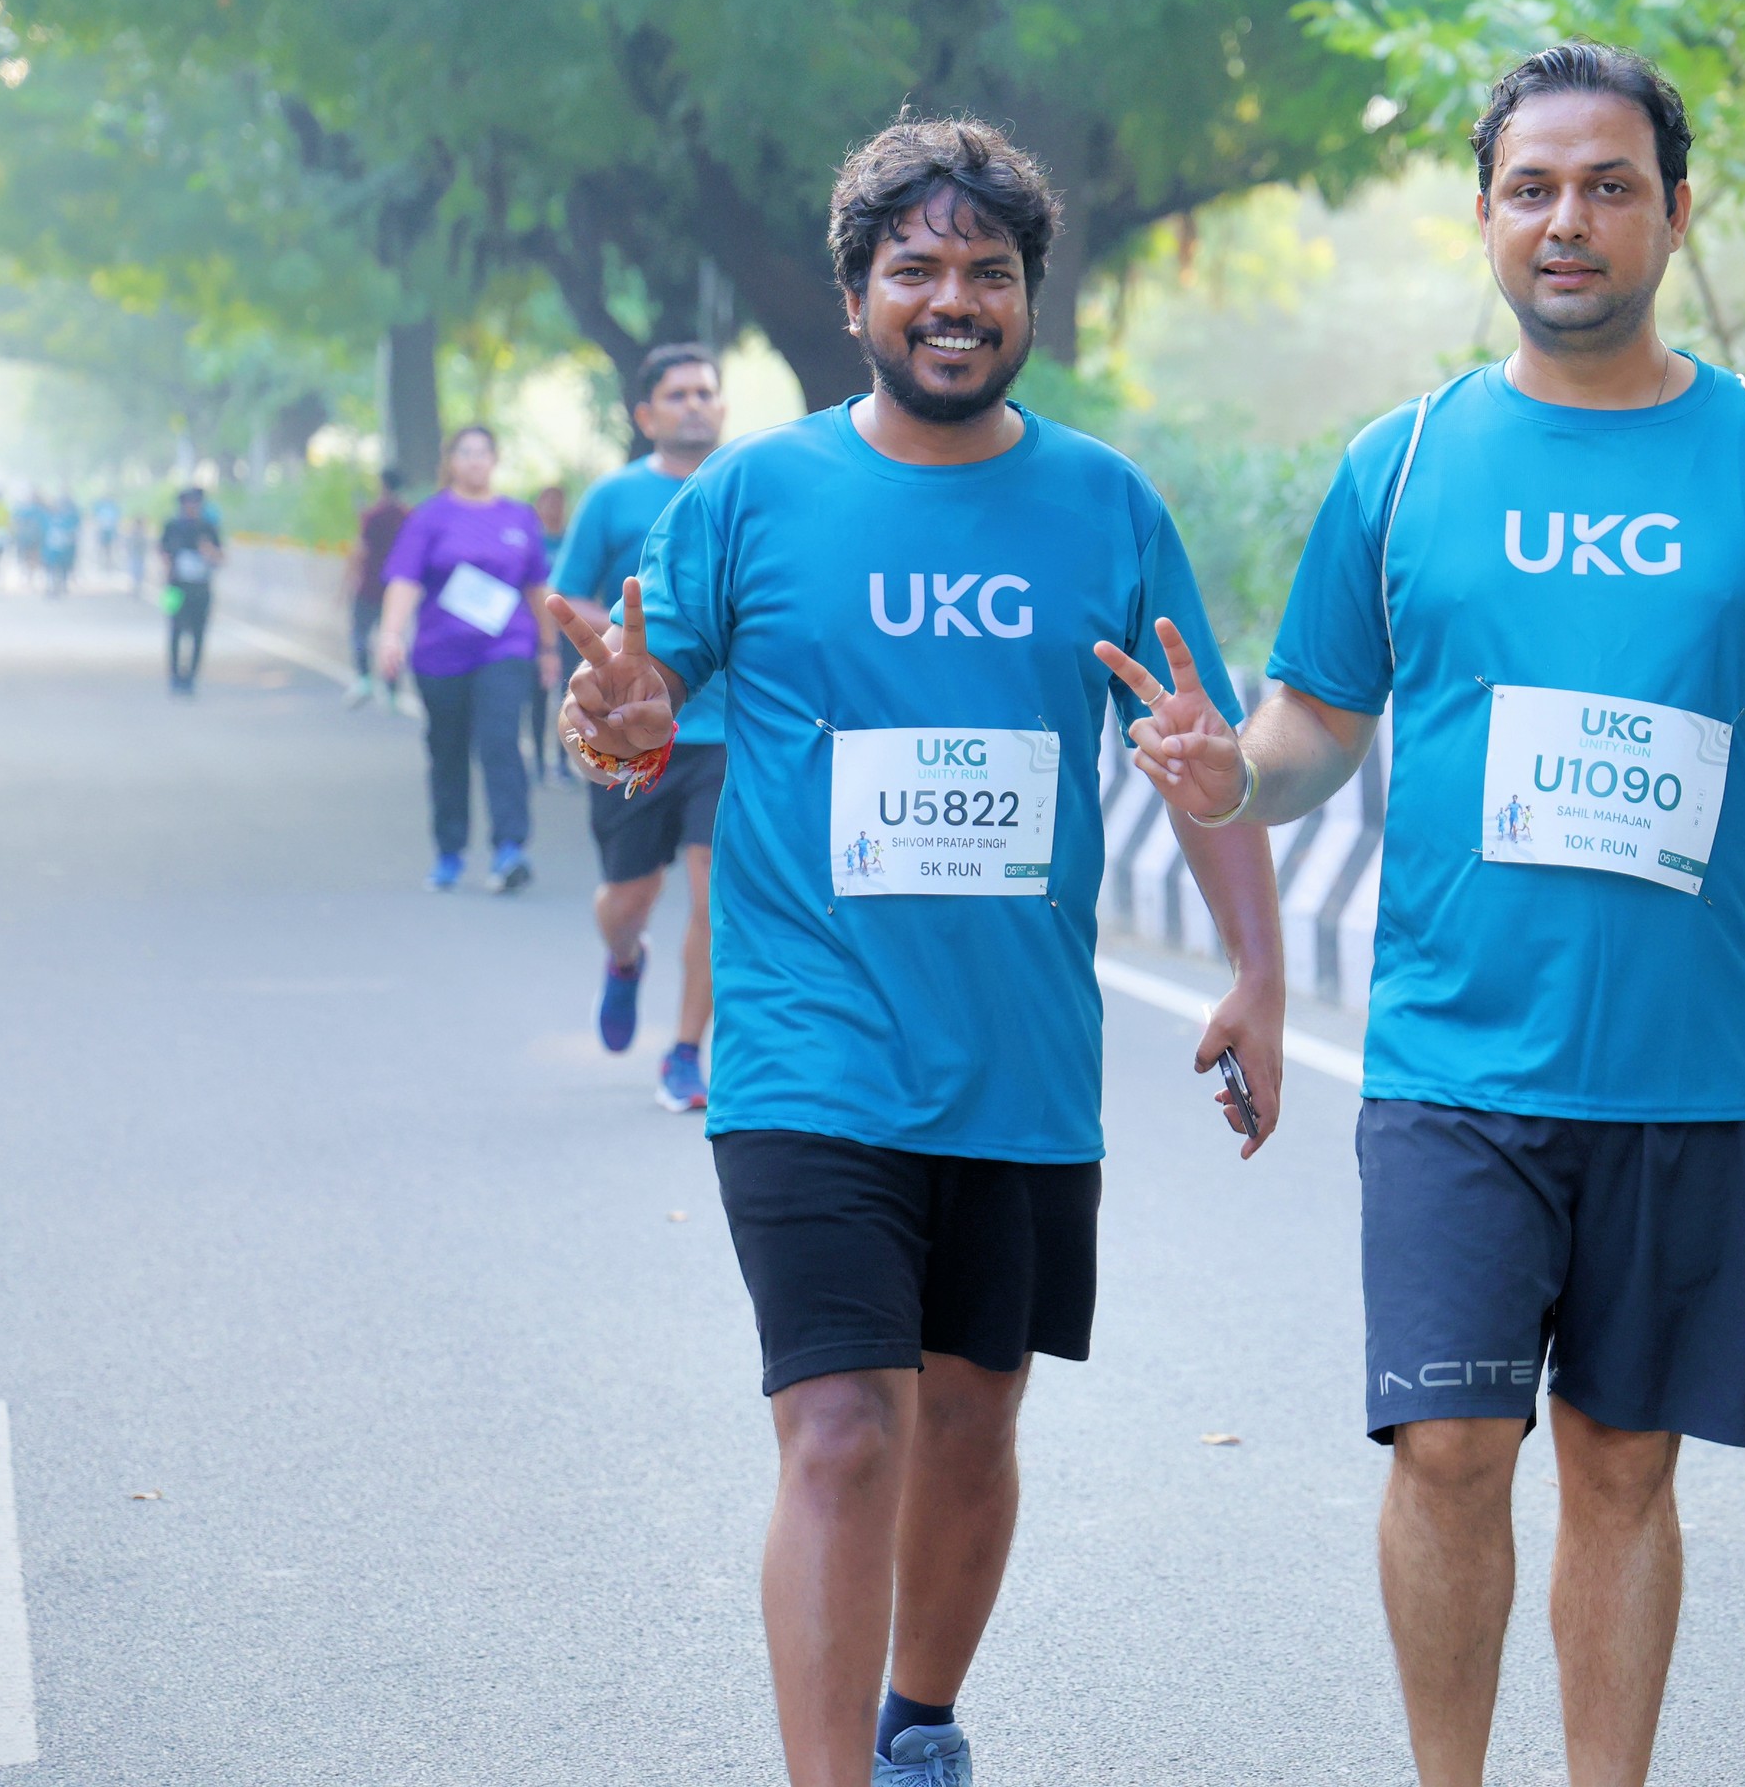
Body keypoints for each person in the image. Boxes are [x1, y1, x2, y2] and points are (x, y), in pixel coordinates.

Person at [1118, 42, 1745, 1787]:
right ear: (1484, 217)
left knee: (1622, 1465)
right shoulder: (1404, 461)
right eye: (1532, 188)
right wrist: (1227, 778)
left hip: (1694, 1067)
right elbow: (1314, 729)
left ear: (1676, 211)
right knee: (1449, 1450)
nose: (1569, 220)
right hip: (1457, 1063)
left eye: (1610, 185)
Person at [550, 115, 1286, 1787]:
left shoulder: (1104, 504)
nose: (953, 300)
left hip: (1017, 1060)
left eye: (988, 272)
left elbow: (1199, 751)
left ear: (1028, 296)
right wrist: (617, 733)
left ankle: (918, 1724)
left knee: (969, 1417)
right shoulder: (754, 496)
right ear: (855, 296)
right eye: (915, 270)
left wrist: (1258, 973)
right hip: (806, 1049)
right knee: (836, 1428)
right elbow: (631, 715)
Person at [553, 344, 730, 1112]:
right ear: (646, 414)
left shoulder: (740, 490)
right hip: (634, 728)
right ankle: (624, 959)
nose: (695, 404)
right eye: (678, 394)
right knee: (628, 899)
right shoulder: (614, 496)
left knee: (714, 895)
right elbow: (564, 596)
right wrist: (637, 642)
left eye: (705, 392)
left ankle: (686, 1053)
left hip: (726, 734)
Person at [375, 426, 553, 893]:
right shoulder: (430, 517)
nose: (475, 460)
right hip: (441, 654)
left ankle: (510, 848)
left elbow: (537, 587)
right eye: (465, 452)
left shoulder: (518, 517)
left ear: (495, 460)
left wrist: (550, 647)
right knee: (448, 749)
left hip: (505, 647)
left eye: (483, 452)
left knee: (501, 742)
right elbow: (405, 579)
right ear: (451, 461)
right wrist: (391, 635)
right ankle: (450, 851)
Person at [347, 467, 411, 707]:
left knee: (360, 634)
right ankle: (392, 693)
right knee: (393, 638)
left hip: (370, 586)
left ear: (383, 485)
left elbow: (360, 550)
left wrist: (347, 583)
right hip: (397, 589)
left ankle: (364, 679)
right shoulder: (408, 516)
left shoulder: (373, 515)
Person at [528, 482, 575, 783]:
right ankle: (537, 762)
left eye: (558, 502)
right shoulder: (532, 541)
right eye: (547, 501)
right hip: (537, 629)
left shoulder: (571, 541)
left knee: (568, 696)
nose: (553, 508)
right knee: (538, 697)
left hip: (568, 629)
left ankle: (563, 761)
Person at [160, 486, 225, 694]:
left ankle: (191, 678)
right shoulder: (172, 526)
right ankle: (174, 677)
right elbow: (162, 552)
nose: (191, 507)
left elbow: (221, 558)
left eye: (195, 503)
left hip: (201, 589)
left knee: (199, 634)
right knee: (174, 631)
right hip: (174, 588)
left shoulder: (208, 528)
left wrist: (209, 551)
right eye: (188, 503)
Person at [42, 495, 80, 595]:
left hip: (64, 547)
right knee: (51, 566)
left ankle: (63, 584)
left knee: (63, 567)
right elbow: (43, 532)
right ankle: (52, 586)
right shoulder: (48, 518)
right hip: (51, 547)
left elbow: (73, 532)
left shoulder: (69, 518)